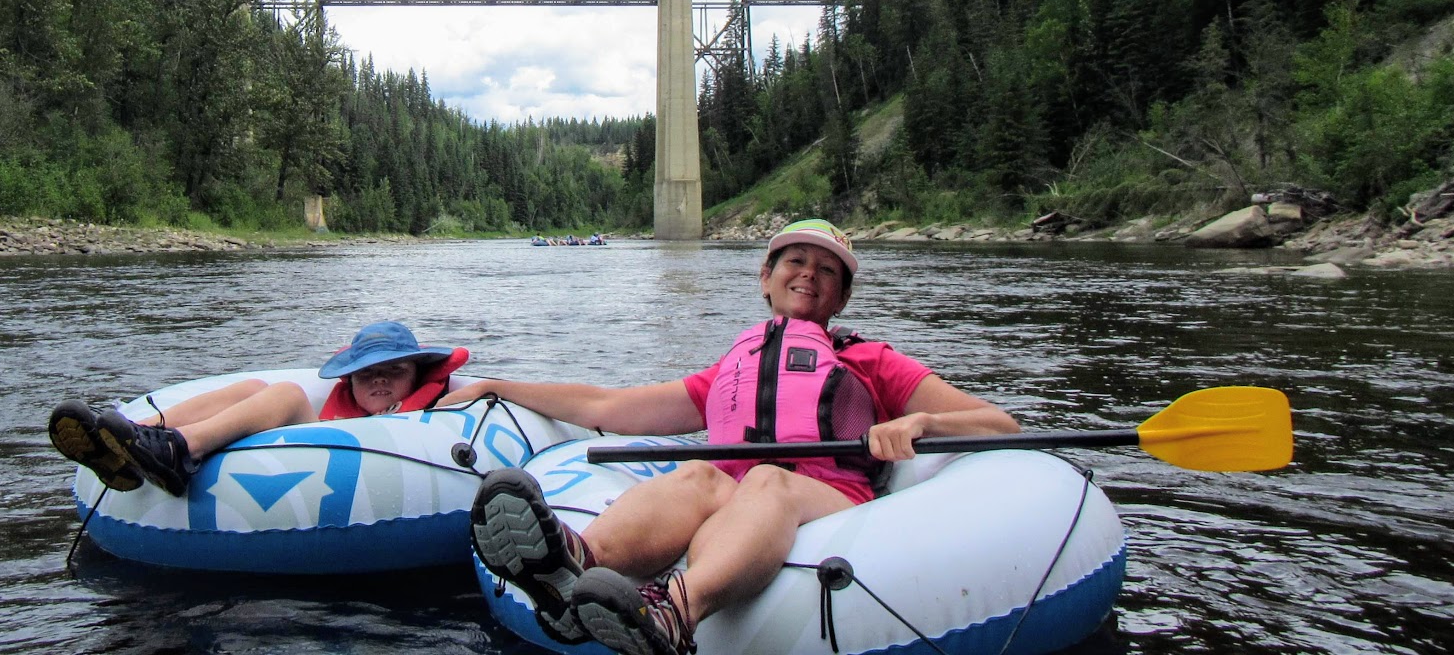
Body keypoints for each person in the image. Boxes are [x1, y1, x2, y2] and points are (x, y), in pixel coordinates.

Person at [437, 219, 1019, 655]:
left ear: (840, 298)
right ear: (766, 280)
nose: (810, 275)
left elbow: (1000, 425)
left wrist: (922, 422)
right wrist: (498, 384)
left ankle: (676, 615)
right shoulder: (730, 368)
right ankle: (574, 568)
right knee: (696, 474)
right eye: (795, 261)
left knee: (767, 479)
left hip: (829, 499)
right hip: (735, 503)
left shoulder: (870, 360)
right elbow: (608, 406)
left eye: (828, 271)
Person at [49, 320, 467, 496]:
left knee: (285, 393)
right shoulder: (340, 405)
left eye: (393, 371)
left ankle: (181, 449)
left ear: (416, 374)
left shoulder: (431, 409)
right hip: (316, 437)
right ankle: (129, 436)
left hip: (345, 453)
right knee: (252, 386)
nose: (378, 380)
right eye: (365, 374)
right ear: (350, 381)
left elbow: (480, 397)